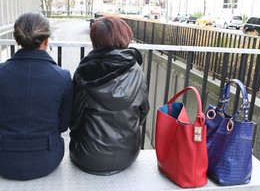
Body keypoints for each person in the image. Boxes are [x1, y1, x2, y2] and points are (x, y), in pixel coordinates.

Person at [69, 16, 150, 175]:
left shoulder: (85, 72)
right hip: (129, 153)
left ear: (95, 40)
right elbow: (143, 112)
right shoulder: (137, 72)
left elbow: (74, 118)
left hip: (87, 155)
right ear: (124, 37)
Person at [0, 12, 73, 180]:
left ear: (16, 40)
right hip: (47, 159)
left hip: (4, 160)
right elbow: (63, 126)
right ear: (46, 41)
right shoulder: (62, 77)